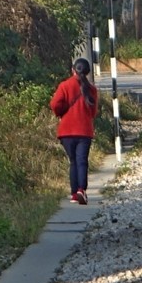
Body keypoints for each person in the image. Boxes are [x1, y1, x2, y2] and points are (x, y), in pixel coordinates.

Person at [49, 58, 98, 205]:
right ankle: (81, 190)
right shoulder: (92, 90)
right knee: (82, 161)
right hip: (84, 131)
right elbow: (93, 112)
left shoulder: (64, 85)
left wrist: (61, 112)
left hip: (66, 131)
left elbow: (54, 104)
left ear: (73, 70)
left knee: (73, 162)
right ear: (88, 72)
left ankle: (74, 194)